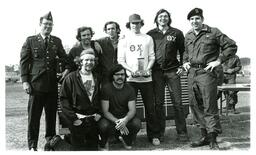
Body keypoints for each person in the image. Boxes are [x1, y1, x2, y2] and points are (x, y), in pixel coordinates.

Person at [183, 8, 238, 149]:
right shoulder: (188, 35)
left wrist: (219, 60)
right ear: (189, 21)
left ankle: (213, 139)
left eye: (197, 18)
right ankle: (204, 137)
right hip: (192, 74)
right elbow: (185, 52)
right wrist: (185, 62)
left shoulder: (213, 32)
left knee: (209, 105)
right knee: (195, 105)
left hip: (207, 73)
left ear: (202, 19)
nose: (195, 22)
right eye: (192, 19)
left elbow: (231, 46)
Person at [20, 11, 71, 151]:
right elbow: (24, 63)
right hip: (35, 86)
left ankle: (50, 144)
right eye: (45, 24)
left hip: (52, 86)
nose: (48, 26)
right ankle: (32, 146)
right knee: (33, 118)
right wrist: (25, 81)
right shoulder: (31, 40)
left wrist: (65, 71)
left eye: (50, 24)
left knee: (51, 118)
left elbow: (66, 60)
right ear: (40, 25)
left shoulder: (56, 41)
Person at [118, 14, 160, 146]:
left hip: (146, 79)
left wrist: (147, 69)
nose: (135, 26)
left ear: (141, 24)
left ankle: (153, 135)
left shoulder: (148, 38)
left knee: (150, 108)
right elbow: (121, 60)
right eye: (133, 23)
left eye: (137, 23)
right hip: (131, 79)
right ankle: (129, 136)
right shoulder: (124, 39)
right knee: (129, 109)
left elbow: (152, 56)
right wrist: (130, 71)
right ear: (129, 24)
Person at [147, 9, 189, 142]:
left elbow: (184, 52)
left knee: (177, 102)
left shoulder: (176, 33)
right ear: (156, 18)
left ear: (169, 18)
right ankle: (159, 133)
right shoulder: (150, 34)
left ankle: (182, 132)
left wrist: (183, 66)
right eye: (160, 16)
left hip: (173, 71)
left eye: (165, 16)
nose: (163, 18)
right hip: (156, 72)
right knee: (158, 103)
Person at [59, 48, 102, 150]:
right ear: (80, 62)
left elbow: (102, 97)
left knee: (92, 148)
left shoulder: (98, 78)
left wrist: (100, 113)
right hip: (77, 119)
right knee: (78, 149)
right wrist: (74, 119)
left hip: (93, 119)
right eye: (86, 60)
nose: (89, 62)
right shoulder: (71, 78)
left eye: (92, 60)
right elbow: (64, 100)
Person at [98, 64, 141, 150]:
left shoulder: (129, 89)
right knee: (103, 125)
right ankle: (105, 140)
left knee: (137, 123)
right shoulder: (106, 89)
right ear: (112, 76)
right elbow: (105, 112)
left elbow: (132, 110)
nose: (120, 77)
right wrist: (118, 122)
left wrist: (125, 120)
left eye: (122, 74)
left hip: (124, 118)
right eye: (117, 74)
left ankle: (127, 138)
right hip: (110, 119)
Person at [97, 21, 121, 85]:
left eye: (113, 28)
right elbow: (90, 42)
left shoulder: (123, 41)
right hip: (106, 75)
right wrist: (95, 43)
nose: (111, 31)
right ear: (106, 31)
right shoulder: (101, 41)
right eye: (108, 29)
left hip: (120, 74)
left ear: (117, 30)